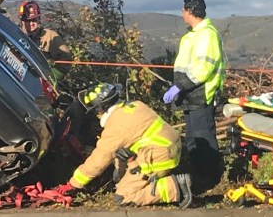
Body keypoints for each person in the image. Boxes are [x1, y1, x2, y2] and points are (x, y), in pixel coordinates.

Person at [50, 82, 192, 207]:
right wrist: (120, 171)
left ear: (101, 110)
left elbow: (99, 160)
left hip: (158, 157)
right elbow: (125, 147)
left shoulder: (116, 127)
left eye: (95, 112)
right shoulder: (134, 105)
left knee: (123, 196)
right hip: (166, 148)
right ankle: (151, 179)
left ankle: (176, 186)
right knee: (124, 176)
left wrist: (73, 183)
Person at [162, 0, 225, 191]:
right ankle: (198, 177)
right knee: (193, 139)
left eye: (183, 11)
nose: (182, 15)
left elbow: (203, 68)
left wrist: (180, 86)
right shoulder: (194, 34)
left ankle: (211, 179)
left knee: (203, 137)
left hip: (200, 94)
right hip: (191, 96)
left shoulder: (206, 34)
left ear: (189, 11)